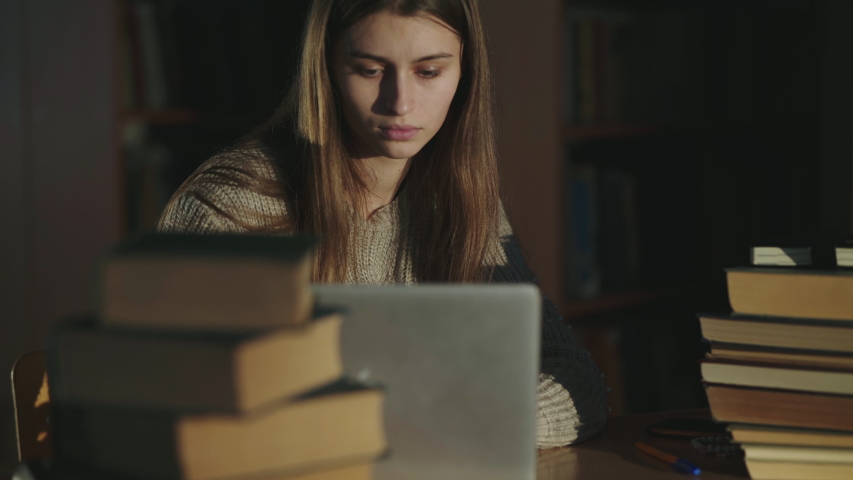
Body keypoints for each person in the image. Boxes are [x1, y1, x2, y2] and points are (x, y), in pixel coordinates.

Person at [157, 0, 608, 447]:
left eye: (429, 72)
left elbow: (574, 377)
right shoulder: (233, 207)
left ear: (465, 73)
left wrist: (466, 424)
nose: (400, 104)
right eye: (370, 70)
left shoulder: (464, 201)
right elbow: (184, 409)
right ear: (327, 68)